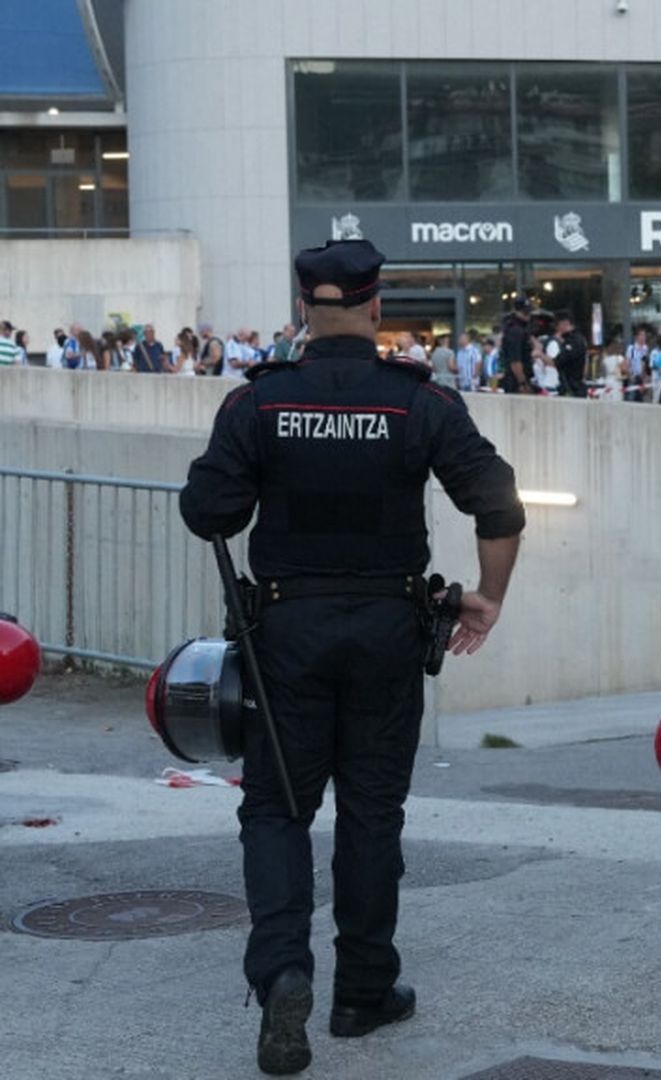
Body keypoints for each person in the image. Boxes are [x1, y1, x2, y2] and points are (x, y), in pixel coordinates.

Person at [178, 239, 525, 1076]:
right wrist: (488, 596)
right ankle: (364, 992)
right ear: (376, 310)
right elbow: (498, 503)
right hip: (387, 631)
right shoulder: (419, 403)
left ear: (304, 310)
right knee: (372, 813)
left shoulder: (257, 403)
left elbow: (208, 512)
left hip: (286, 634)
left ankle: (285, 974)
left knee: (276, 811)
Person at [498, 297, 534, 394]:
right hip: (515, 382)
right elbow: (515, 361)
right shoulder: (515, 331)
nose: (528, 316)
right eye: (525, 313)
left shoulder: (519, 329)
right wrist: (522, 383)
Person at [552, 314, 589, 398]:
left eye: (558, 325)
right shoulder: (579, 338)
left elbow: (559, 361)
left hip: (571, 387)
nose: (557, 329)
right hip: (574, 385)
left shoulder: (573, 340)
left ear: (565, 323)